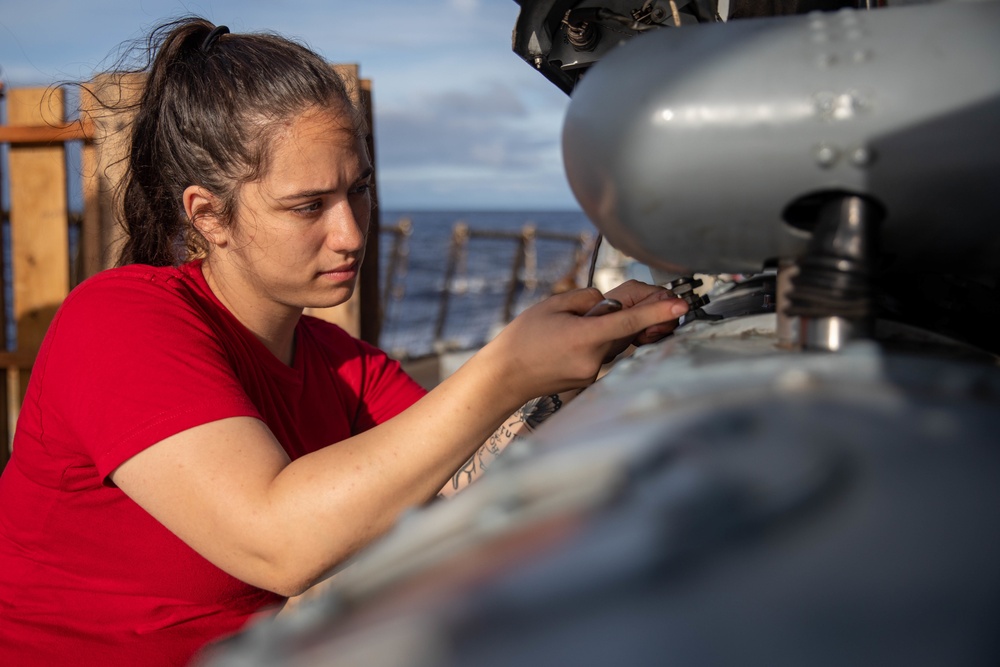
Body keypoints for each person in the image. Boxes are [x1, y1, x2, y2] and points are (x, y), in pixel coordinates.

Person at [0, 17, 688, 666]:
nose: (352, 233)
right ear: (209, 215)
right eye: (308, 206)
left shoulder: (344, 366)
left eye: (358, 191)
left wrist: (598, 355)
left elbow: (471, 467)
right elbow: (278, 540)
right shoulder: (117, 321)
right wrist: (506, 368)